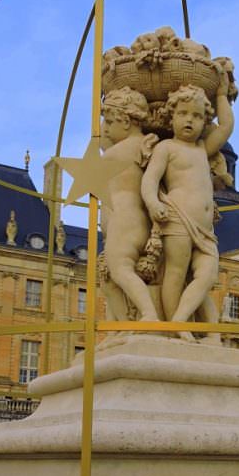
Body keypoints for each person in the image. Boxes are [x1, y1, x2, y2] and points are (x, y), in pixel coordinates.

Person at [140, 69, 234, 330]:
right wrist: (153, 203)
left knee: (207, 276)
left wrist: (222, 95)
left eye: (196, 115)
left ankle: (180, 320)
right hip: (177, 218)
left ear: (205, 121)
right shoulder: (166, 148)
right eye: (182, 114)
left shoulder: (203, 149)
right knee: (176, 273)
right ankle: (175, 328)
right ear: (171, 117)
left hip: (205, 229)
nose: (189, 120)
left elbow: (226, 126)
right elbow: (149, 180)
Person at [99, 87, 160, 323]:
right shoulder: (143, 146)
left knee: (120, 269)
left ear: (125, 121)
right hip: (133, 221)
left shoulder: (118, 152)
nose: (105, 129)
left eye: (109, 122)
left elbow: (102, 142)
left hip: (125, 220)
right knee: (111, 277)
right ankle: (123, 326)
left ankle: (148, 314)